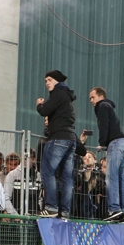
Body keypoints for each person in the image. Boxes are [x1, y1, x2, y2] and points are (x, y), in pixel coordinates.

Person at [35, 70, 77, 218]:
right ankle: (65, 211)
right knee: (66, 177)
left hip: (58, 138)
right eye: (45, 80)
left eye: (50, 80)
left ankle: (51, 207)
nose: (47, 83)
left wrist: (40, 104)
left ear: (57, 81)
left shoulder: (58, 93)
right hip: (71, 139)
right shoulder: (67, 97)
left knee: (48, 172)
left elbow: (45, 110)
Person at [89, 87, 124, 222]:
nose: (91, 101)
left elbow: (103, 125)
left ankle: (113, 209)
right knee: (121, 179)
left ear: (101, 97)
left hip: (116, 144)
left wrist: (102, 142)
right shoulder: (109, 107)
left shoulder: (102, 106)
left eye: (92, 97)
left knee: (111, 178)